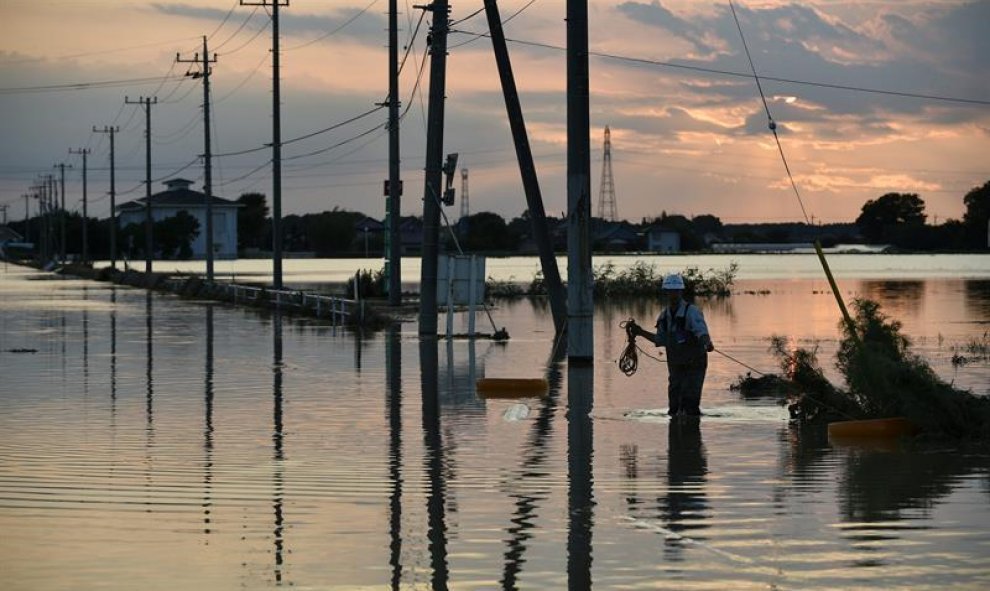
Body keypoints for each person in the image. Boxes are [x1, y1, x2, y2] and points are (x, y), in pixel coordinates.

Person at [628, 274, 714, 416]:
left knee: (690, 402)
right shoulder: (664, 317)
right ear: (666, 292)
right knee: (674, 406)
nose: (673, 294)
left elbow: (702, 332)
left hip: (695, 363)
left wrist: (707, 343)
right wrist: (640, 332)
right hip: (675, 364)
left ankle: (690, 433)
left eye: (676, 291)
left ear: (681, 292)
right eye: (670, 291)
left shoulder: (691, 312)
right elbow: (660, 340)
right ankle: (678, 430)